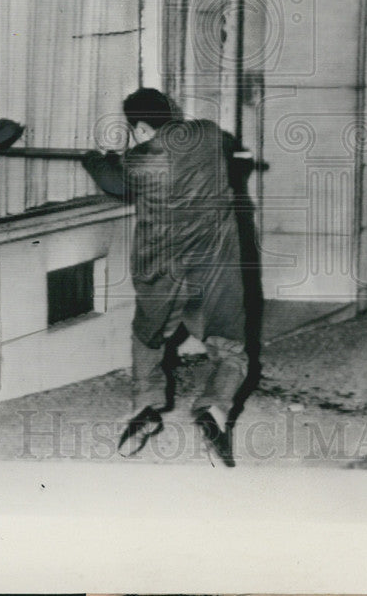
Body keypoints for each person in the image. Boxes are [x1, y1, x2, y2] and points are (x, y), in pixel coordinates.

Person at [81, 88, 248, 467]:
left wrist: (93, 160)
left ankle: (146, 409)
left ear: (140, 127)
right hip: (215, 268)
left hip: (164, 272)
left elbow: (115, 183)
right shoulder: (209, 134)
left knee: (148, 339)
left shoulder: (140, 161)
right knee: (231, 351)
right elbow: (216, 150)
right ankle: (214, 409)